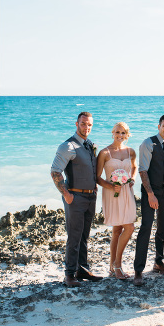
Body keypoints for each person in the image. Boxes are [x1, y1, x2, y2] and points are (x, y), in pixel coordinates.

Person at [51, 112, 103, 288]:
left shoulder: (90, 145)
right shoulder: (67, 146)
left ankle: (82, 269)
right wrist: (66, 194)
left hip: (90, 196)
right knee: (74, 236)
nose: (86, 127)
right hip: (75, 196)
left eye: (89, 125)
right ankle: (69, 274)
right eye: (83, 124)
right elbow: (55, 171)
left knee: (84, 236)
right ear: (76, 124)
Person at [133, 115, 164, 287]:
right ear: (158, 126)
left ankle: (159, 262)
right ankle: (138, 270)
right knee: (146, 227)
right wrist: (150, 194)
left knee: (163, 228)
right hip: (150, 192)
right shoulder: (148, 143)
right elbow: (143, 171)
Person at [96, 122, 137, 280]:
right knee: (128, 228)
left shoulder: (130, 152)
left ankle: (112, 267)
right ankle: (118, 266)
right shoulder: (105, 153)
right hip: (111, 193)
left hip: (126, 192)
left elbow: (134, 167)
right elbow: (98, 177)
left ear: (127, 135)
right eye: (118, 132)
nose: (120, 135)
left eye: (124, 133)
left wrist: (132, 179)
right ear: (113, 133)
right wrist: (111, 186)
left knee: (119, 230)